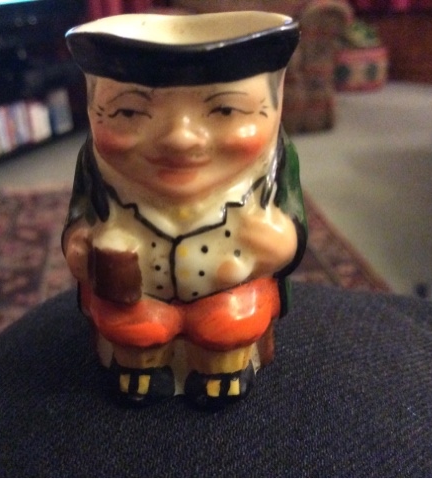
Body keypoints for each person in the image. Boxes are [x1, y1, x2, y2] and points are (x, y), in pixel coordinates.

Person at [62, 12, 306, 407]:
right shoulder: (96, 165)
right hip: (135, 299)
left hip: (230, 293)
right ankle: (139, 371)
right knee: (131, 325)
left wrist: (279, 241)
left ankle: (222, 372)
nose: (179, 139)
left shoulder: (274, 166)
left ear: (275, 101)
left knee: (229, 322)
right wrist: (81, 248)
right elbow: (80, 218)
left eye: (225, 110)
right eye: (129, 112)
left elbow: (292, 227)